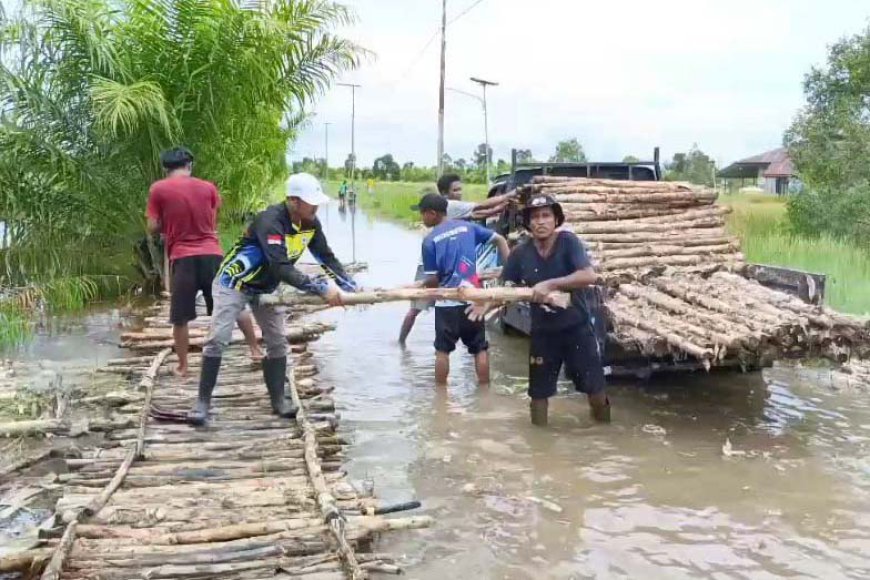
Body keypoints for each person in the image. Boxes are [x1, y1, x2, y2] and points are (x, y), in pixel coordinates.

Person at [189, 173, 357, 425]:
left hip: (267, 286)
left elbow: (326, 257)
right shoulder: (271, 221)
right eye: (311, 202)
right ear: (293, 200)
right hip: (235, 282)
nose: (316, 207)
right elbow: (280, 266)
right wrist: (320, 288)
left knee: (278, 341)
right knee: (218, 338)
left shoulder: (311, 224)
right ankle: (202, 402)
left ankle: (278, 400)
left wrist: (350, 286)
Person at [469, 194, 610, 426]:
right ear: (528, 223)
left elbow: (588, 275)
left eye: (546, 216)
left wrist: (550, 284)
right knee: (538, 394)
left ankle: (605, 428)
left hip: (577, 328)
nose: (540, 221)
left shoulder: (568, 242)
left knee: (594, 389)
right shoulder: (520, 254)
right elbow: (507, 288)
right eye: (535, 217)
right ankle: (539, 441)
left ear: (556, 220)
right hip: (543, 332)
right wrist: (487, 302)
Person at [146, 147, 262, 378]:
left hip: (182, 258)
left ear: (165, 168)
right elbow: (211, 219)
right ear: (189, 165)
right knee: (233, 304)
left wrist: (167, 226)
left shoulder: (158, 189)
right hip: (212, 254)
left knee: (180, 316)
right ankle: (256, 350)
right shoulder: (208, 188)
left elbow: (152, 227)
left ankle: (183, 366)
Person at [398, 174, 516, 346]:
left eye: (460, 189)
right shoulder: (449, 206)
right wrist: (508, 196)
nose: (459, 193)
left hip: (451, 263)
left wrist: (500, 208)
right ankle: (402, 341)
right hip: (433, 266)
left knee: (461, 303)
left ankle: (403, 343)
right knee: (419, 307)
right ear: (444, 193)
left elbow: (478, 213)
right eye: (455, 190)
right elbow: (480, 207)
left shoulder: (449, 208)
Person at [413, 193, 509, 386]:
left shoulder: (430, 240)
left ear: (432, 214)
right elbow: (500, 240)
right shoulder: (469, 227)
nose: (421, 218)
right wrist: (509, 271)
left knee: (442, 351)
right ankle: (484, 390)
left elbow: (433, 278)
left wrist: (422, 286)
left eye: (422, 214)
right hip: (474, 301)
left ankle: (441, 397)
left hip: (447, 303)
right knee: (480, 349)